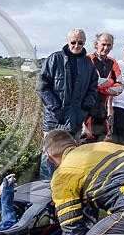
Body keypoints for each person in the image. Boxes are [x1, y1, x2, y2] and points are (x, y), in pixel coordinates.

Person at [36, 28, 98, 179]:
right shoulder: (54, 59)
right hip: (53, 120)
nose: (76, 45)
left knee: (71, 157)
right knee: (49, 156)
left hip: (75, 120)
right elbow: (42, 87)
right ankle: (46, 191)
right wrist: (56, 109)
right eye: (73, 42)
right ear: (68, 41)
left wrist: (82, 112)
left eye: (80, 43)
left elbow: (92, 90)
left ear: (84, 43)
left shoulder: (88, 64)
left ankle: (65, 189)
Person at [86, 32, 123, 141]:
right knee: (84, 146)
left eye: (109, 45)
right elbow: (91, 82)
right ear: (96, 44)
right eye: (103, 44)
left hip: (102, 112)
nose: (106, 48)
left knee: (101, 147)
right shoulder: (88, 59)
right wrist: (111, 81)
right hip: (86, 110)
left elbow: (120, 88)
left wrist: (101, 87)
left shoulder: (113, 63)